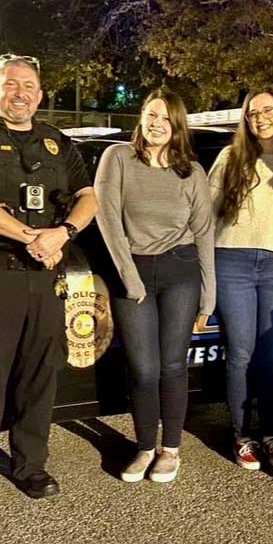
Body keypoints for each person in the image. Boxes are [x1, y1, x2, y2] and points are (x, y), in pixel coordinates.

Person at [0, 54, 97, 510]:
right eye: (10, 84)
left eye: (28, 85)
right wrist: (30, 236)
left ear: (40, 92)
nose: (20, 93)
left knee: (39, 374)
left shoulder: (57, 142)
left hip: (46, 273)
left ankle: (30, 466)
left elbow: (88, 196)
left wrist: (63, 233)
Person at [95, 89, 215, 483]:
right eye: (150, 114)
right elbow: (108, 218)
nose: (156, 122)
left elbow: (203, 232)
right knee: (143, 369)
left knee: (172, 365)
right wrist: (129, 277)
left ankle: (171, 450)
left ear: (177, 125)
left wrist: (208, 292)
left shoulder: (191, 172)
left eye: (164, 117)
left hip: (180, 271)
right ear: (141, 118)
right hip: (134, 272)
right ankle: (145, 446)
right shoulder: (118, 159)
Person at [208, 86, 273, 470]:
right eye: (252, 112)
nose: (260, 118)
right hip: (233, 262)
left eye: (267, 110)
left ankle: (270, 432)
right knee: (241, 353)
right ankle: (242, 435)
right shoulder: (231, 157)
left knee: (272, 355)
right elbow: (206, 215)